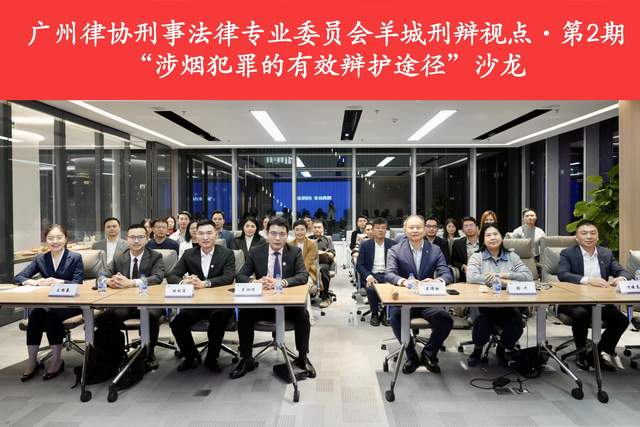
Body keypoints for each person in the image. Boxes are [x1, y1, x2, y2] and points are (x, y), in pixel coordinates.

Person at [231, 217, 313, 379]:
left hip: (287, 303)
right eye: (273, 233)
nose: (277, 238)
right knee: (245, 315)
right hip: (262, 303)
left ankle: (302, 357)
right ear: (267, 234)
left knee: (303, 315)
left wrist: (281, 282)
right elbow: (240, 276)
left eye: (282, 234)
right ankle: (246, 358)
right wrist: (254, 281)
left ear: (287, 236)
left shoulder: (294, 252)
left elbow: (303, 276)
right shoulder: (256, 251)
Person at [558, 220, 632, 371]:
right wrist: (588, 280)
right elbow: (563, 274)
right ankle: (580, 354)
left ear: (597, 237)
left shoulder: (606, 253)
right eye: (584, 233)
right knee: (581, 315)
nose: (589, 236)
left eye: (593, 233)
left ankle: (595, 354)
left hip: (599, 302)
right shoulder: (568, 253)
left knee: (622, 320)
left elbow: (622, 271)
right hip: (573, 301)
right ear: (576, 237)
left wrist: (621, 278)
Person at [14, 224, 84, 381]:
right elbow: (19, 277)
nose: (55, 241)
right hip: (48, 302)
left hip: (71, 303)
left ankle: (57, 361)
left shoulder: (75, 257)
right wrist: (33, 282)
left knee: (52, 316)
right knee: (35, 315)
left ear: (65, 239)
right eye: (50, 238)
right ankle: (32, 362)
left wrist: (59, 281)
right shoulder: (41, 258)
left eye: (59, 237)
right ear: (45, 240)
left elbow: (79, 283)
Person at [385, 215, 453, 374]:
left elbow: (447, 273)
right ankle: (411, 356)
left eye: (418, 227)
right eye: (411, 227)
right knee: (395, 317)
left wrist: (437, 281)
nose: (415, 230)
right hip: (404, 301)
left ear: (424, 229)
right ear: (404, 229)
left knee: (445, 319)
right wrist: (404, 281)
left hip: (426, 301)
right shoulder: (395, 250)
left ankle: (429, 354)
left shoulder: (435, 250)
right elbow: (389, 273)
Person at [168, 220, 236, 373]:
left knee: (218, 318)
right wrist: (184, 282)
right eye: (201, 233)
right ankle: (191, 356)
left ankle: (212, 358)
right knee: (177, 323)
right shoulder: (189, 254)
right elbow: (172, 275)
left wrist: (205, 283)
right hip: (195, 304)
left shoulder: (227, 254)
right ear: (196, 235)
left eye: (209, 233)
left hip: (219, 303)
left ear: (216, 234)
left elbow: (228, 277)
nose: (205, 237)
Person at [97, 223, 166, 370]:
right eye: (132, 237)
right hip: (125, 303)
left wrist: (132, 283)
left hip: (149, 302)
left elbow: (157, 277)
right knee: (104, 318)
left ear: (147, 238)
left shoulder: (155, 256)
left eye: (140, 237)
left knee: (150, 317)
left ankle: (149, 353)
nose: (136, 241)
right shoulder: (119, 256)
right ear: (127, 239)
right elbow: (101, 276)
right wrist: (108, 281)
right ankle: (117, 353)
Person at [465, 223, 533, 366]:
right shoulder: (477, 256)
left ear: (501, 237)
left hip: (508, 305)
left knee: (516, 326)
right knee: (482, 325)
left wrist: (504, 276)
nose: (492, 238)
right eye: (488, 235)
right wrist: (501, 282)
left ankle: (502, 347)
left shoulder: (512, 256)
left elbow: (528, 276)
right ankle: (478, 349)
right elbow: (471, 277)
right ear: (483, 240)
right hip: (484, 305)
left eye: (495, 234)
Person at [356, 217, 396, 326]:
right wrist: (368, 276)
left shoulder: (393, 244)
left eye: (383, 228)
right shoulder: (365, 245)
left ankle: (385, 313)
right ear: (373, 230)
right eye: (378, 228)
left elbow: (397, 264)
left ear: (386, 230)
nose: (380, 230)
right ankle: (374, 314)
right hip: (372, 275)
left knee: (391, 288)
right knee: (371, 288)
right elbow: (359, 265)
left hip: (388, 275)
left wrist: (392, 277)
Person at [310, 220, 336, 308]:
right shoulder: (308, 239)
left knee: (323, 270)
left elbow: (333, 252)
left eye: (319, 227)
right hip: (310, 263)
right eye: (315, 227)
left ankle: (325, 297)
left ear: (322, 229)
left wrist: (329, 254)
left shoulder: (327, 239)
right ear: (312, 229)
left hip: (323, 263)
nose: (317, 229)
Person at [289, 219, 319, 286]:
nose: (299, 232)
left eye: (302, 229)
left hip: (308, 273)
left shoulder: (312, 244)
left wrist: (296, 277)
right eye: (297, 230)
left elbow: (307, 264)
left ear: (306, 230)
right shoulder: (289, 244)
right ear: (293, 231)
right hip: (291, 273)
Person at [451, 216, 480, 282]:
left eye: (471, 225)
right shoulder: (457, 243)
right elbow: (454, 261)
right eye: (466, 226)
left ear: (477, 227)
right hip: (464, 278)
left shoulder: (484, 242)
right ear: (463, 230)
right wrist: (463, 266)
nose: (469, 228)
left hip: (482, 276)